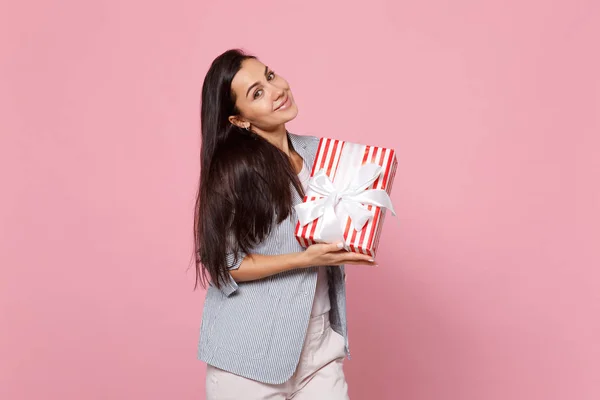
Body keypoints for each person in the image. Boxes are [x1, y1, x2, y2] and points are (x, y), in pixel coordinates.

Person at [193, 48, 375, 399]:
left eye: (271, 76)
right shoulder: (235, 173)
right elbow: (226, 263)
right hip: (248, 356)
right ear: (239, 120)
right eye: (257, 93)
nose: (276, 91)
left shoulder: (322, 153)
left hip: (320, 347)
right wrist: (306, 260)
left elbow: (348, 212)